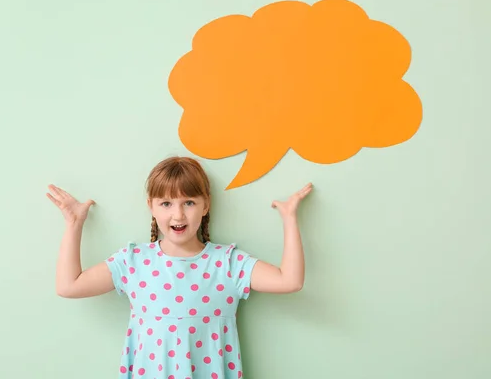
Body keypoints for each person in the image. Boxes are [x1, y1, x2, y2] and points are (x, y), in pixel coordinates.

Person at [47, 156, 313, 379]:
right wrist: (74, 223)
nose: (178, 215)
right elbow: (69, 286)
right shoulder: (132, 261)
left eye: (189, 202)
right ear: (151, 207)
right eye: (166, 203)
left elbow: (290, 281)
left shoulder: (228, 263)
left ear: (205, 205)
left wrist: (289, 219)